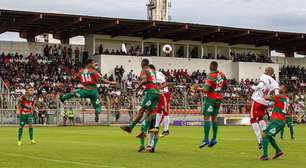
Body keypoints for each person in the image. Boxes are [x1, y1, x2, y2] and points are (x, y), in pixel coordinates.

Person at [120, 59, 160, 145]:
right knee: (149, 113)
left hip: (151, 92)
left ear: (142, 63)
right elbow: (151, 81)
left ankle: (131, 127)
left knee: (141, 110)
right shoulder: (152, 71)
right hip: (157, 93)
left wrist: (137, 88)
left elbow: (145, 80)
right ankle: (144, 131)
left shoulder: (144, 70)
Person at [196, 61, 227, 148]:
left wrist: (198, 88)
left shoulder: (211, 75)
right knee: (214, 118)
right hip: (218, 99)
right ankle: (214, 139)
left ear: (210, 66)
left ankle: (206, 139)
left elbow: (205, 90)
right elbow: (225, 87)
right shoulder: (222, 75)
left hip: (211, 100)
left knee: (206, 118)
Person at [250, 67, 279, 149]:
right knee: (260, 119)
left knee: (253, 120)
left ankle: (260, 140)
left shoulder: (264, 76)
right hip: (265, 103)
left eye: (265, 70)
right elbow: (276, 94)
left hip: (257, 100)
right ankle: (266, 131)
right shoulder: (275, 83)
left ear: (266, 71)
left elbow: (260, 85)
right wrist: (272, 102)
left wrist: (253, 87)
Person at [260, 84, 289, 160]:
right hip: (281, 121)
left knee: (265, 135)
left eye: (281, 87)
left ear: (285, 89)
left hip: (276, 120)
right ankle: (278, 151)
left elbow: (265, 97)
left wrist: (264, 90)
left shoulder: (279, 96)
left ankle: (265, 155)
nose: (279, 87)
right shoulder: (286, 98)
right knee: (269, 136)